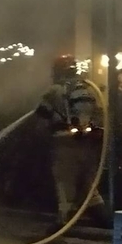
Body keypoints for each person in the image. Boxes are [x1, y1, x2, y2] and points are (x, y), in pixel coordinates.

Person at [34, 55, 112, 230]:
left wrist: (42, 136)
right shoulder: (87, 88)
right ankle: (105, 221)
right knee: (88, 183)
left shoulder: (54, 91)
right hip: (88, 143)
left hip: (64, 143)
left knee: (64, 182)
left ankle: (63, 222)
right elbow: (98, 113)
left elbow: (41, 117)